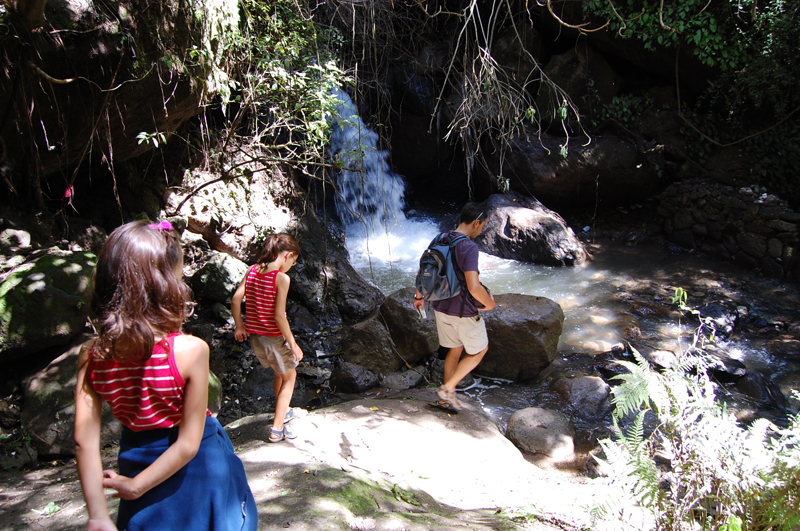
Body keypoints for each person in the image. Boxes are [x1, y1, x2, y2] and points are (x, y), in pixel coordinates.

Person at [74, 220, 257, 531]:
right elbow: (188, 444)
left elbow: (83, 442)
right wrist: (135, 487)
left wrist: (97, 514)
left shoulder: (91, 355)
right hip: (196, 471)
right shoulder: (190, 351)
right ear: (165, 287)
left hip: (137, 456)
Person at [414, 202, 495, 411]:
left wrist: (419, 296)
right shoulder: (468, 247)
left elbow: (424, 268)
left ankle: (444, 400)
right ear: (477, 223)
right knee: (479, 350)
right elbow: (474, 287)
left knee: (455, 348)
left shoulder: (439, 238)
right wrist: (490, 303)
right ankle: (448, 389)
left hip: (440, 307)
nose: (482, 229)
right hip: (463, 311)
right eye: (483, 225)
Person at [231, 233, 304, 442]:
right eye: (294, 261)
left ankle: (282, 411)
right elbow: (279, 316)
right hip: (274, 338)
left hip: (256, 339)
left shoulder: (253, 270)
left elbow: (236, 300)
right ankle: (277, 428)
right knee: (290, 377)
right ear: (288, 255)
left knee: (280, 374)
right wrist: (293, 344)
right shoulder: (281, 278)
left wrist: (239, 326)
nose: (292, 265)